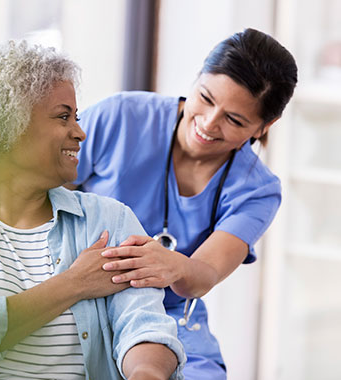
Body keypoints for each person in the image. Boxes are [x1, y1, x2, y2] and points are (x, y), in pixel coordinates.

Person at [0, 40, 186, 380]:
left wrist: (146, 373)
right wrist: (72, 284)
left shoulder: (109, 220)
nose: (80, 132)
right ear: (6, 127)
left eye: (76, 117)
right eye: (63, 117)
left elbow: (143, 325)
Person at [69, 28, 298, 379]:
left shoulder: (258, 190)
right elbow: (34, 189)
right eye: (205, 98)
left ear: (265, 125)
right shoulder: (122, 117)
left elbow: (202, 276)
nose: (208, 124)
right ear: (197, 79)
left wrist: (174, 266)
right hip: (79, 290)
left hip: (167, 312)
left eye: (234, 120)